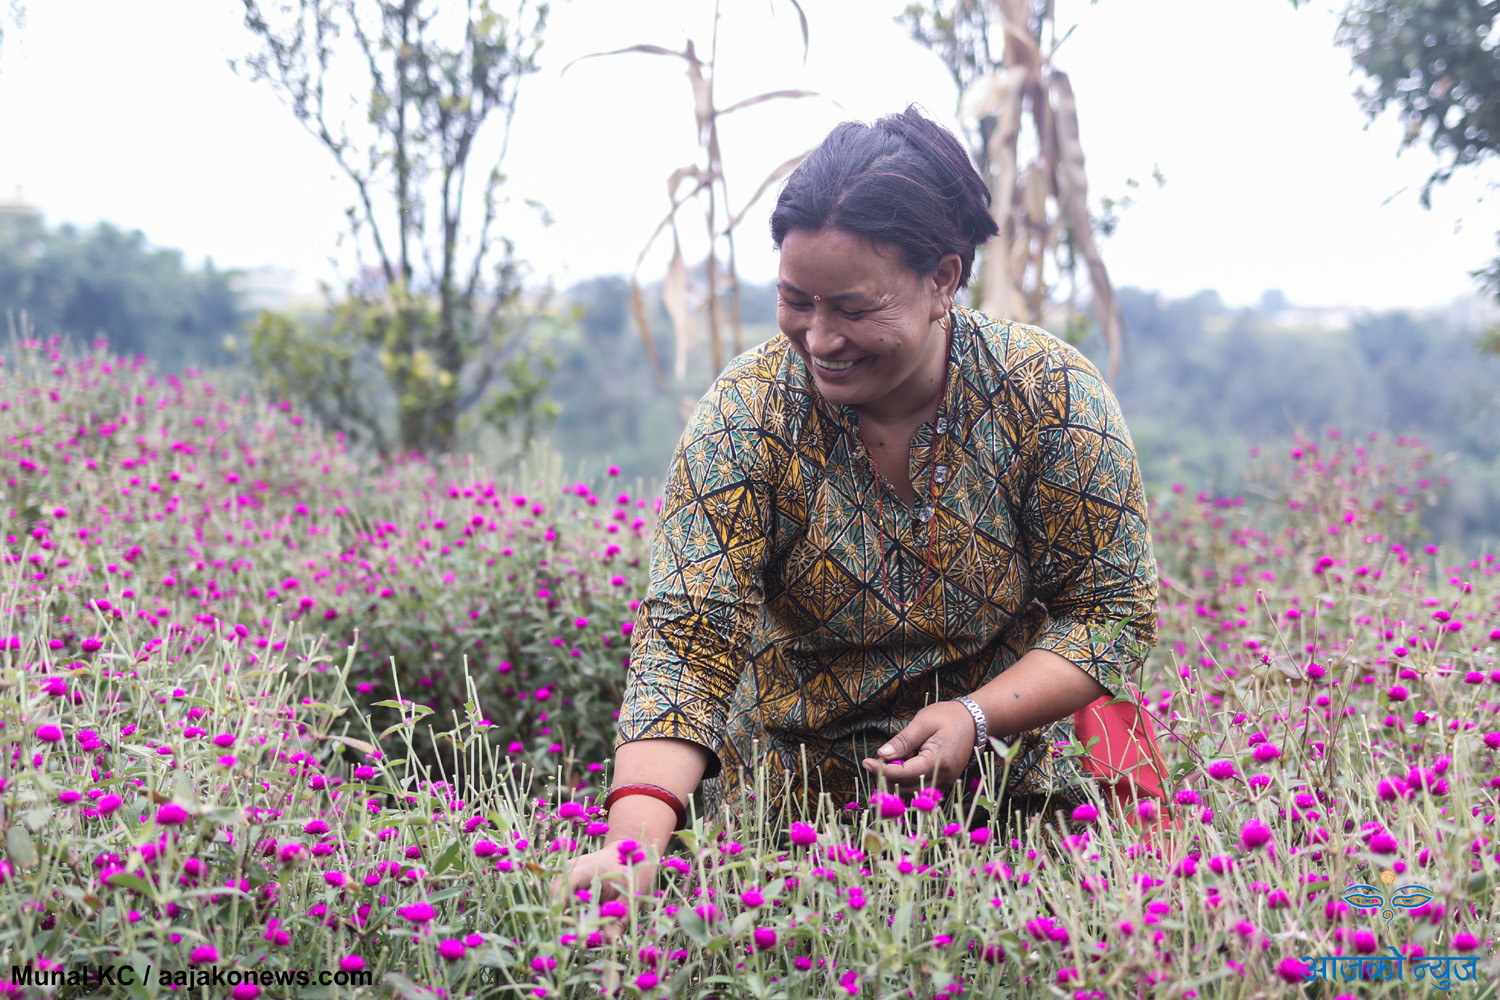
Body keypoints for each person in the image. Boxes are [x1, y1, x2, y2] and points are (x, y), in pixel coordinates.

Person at [552, 105, 1158, 906]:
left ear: (943, 278)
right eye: (797, 300)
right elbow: (688, 641)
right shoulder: (748, 416)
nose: (820, 338)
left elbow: (1112, 609)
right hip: (793, 833)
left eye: (854, 308)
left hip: (1011, 803)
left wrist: (975, 717)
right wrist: (633, 847)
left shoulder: (1048, 395)